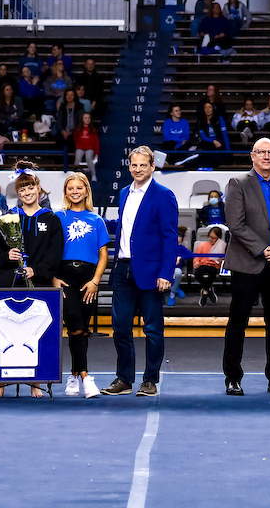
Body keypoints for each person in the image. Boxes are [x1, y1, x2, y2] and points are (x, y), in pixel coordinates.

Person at [222, 138, 270, 397]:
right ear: (252, 156)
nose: (266, 156)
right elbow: (236, 224)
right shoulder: (238, 184)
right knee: (238, 321)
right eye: (261, 152)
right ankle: (233, 377)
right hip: (247, 263)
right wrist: (264, 248)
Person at [101, 147, 179, 397]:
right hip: (122, 268)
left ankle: (150, 380)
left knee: (153, 329)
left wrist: (166, 273)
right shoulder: (124, 193)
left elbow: (170, 237)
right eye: (133, 165)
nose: (137, 169)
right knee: (120, 327)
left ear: (152, 166)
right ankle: (124, 378)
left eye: (142, 165)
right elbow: (126, 228)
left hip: (151, 272)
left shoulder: (164, 195)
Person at [0, 166, 64, 398]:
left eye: (31, 186)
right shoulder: (7, 218)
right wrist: (6, 256)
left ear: (39, 188)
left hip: (38, 283)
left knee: (36, 331)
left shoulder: (52, 220)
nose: (27, 192)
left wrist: (37, 270)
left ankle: (36, 381)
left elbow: (55, 254)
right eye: (22, 188)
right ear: (17, 192)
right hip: (8, 281)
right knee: (2, 329)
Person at [55, 172, 110, 397]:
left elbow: (103, 254)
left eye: (79, 188)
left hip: (88, 278)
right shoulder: (58, 217)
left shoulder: (96, 220)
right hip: (65, 277)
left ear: (86, 191)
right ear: (66, 192)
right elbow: (50, 251)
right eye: (71, 188)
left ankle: (74, 376)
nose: (75, 192)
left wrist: (95, 281)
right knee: (75, 325)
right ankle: (86, 377)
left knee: (81, 329)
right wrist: (53, 278)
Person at [194, 225, 228, 306]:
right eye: (210, 237)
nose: (211, 239)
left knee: (211, 273)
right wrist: (196, 263)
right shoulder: (202, 245)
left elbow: (222, 259)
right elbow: (196, 257)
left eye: (214, 238)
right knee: (198, 273)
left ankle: (205, 292)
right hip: (202, 265)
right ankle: (208, 289)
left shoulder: (221, 246)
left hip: (213, 266)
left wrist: (221, 260)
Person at [73, 113, 99, 181]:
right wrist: (78, 145)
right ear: (82, 119)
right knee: (77, 159)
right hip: (80, 148)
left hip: (89, 148)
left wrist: (96, 153)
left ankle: (93, 174)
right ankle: (77, 175)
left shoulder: (93, 130)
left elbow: (96, 142)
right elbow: (75, 139)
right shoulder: (78, 129)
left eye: (89, 118)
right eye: (85, 118)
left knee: (88, 158)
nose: (87, 120)